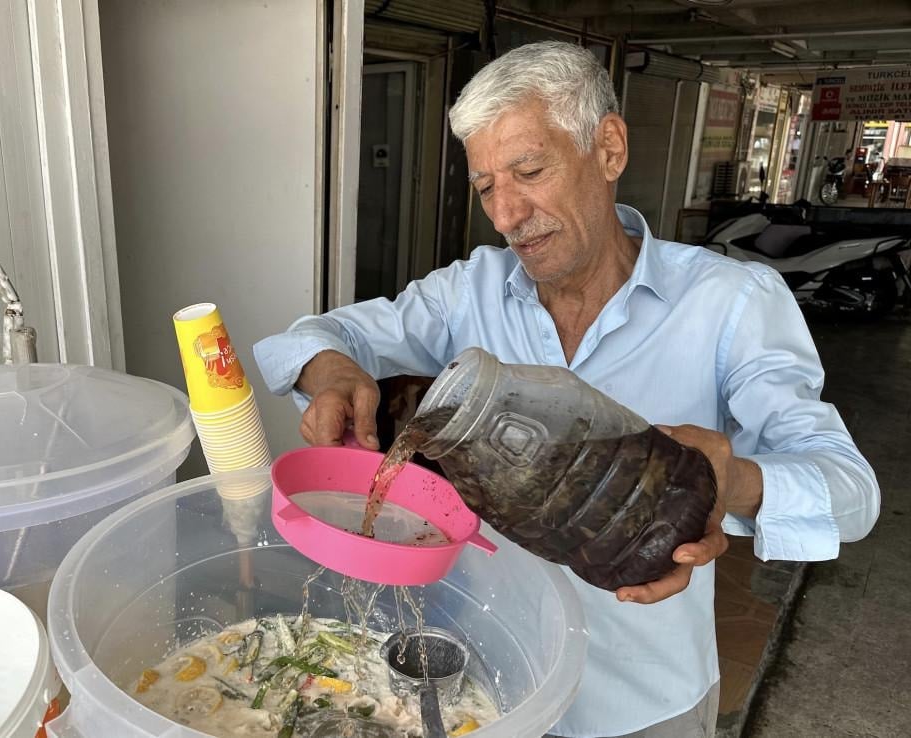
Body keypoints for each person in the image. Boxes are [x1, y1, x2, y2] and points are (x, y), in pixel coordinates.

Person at [253, 41, 880, 738]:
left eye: (530, 171)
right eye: (486, 187)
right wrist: (332, 373)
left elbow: (850, 491)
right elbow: (313, 337)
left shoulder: (731, 302)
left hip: (639, 702)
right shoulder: (470, 291)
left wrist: (728, 482)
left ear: (609, 149)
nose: (506, 214)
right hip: (477, 692)